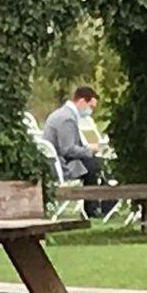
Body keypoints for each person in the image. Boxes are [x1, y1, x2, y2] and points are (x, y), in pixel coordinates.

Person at [42, 85, 109, 218]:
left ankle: (95, 207)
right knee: (94, 165)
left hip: (55, 161)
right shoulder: (67, 118)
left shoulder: (61, 114)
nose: (91, 111)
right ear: (82, 101)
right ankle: (93, 209)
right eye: (91, 107)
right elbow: (68, 149)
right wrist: (89, 149)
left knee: (92, 163)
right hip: (60, 165)